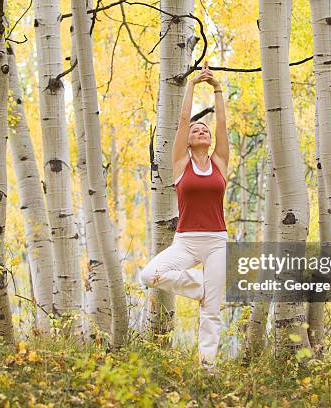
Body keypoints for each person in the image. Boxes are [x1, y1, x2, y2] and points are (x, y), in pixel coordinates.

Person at [140, 61, 229, 371]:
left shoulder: (219, 163)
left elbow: (221, 127)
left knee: (211, 310)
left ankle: (208, 367)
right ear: (189, 140)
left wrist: (216, 89)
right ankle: (198, 284)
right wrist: (192, 84)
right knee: (149, 275)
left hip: (217, 242)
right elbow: (181, 122)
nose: (201, 130)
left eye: (203, 129)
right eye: (196, 129)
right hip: (186, 242)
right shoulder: (181, 165)